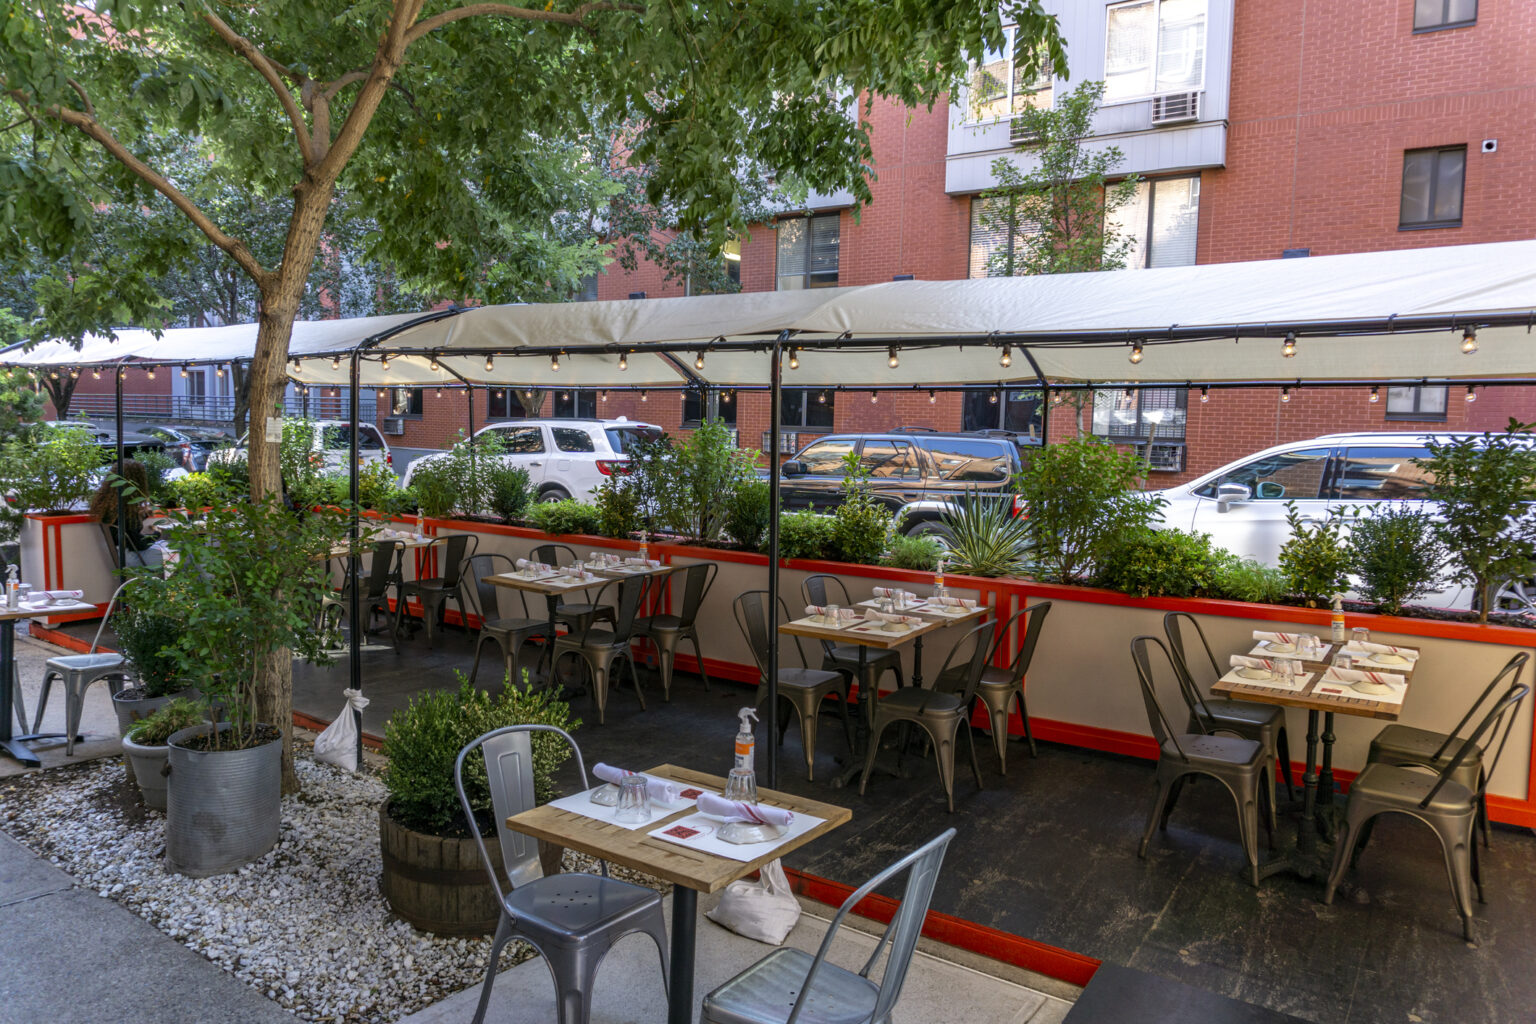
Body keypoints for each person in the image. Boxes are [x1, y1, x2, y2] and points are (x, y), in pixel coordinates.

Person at [89, 460, 166, 567]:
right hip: (133, 557)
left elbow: (128, 530)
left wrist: (142, 515)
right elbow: (140, 544)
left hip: (119, 555)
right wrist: (157, 534)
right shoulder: (127, 511)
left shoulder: (110, 506)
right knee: (185, 553)